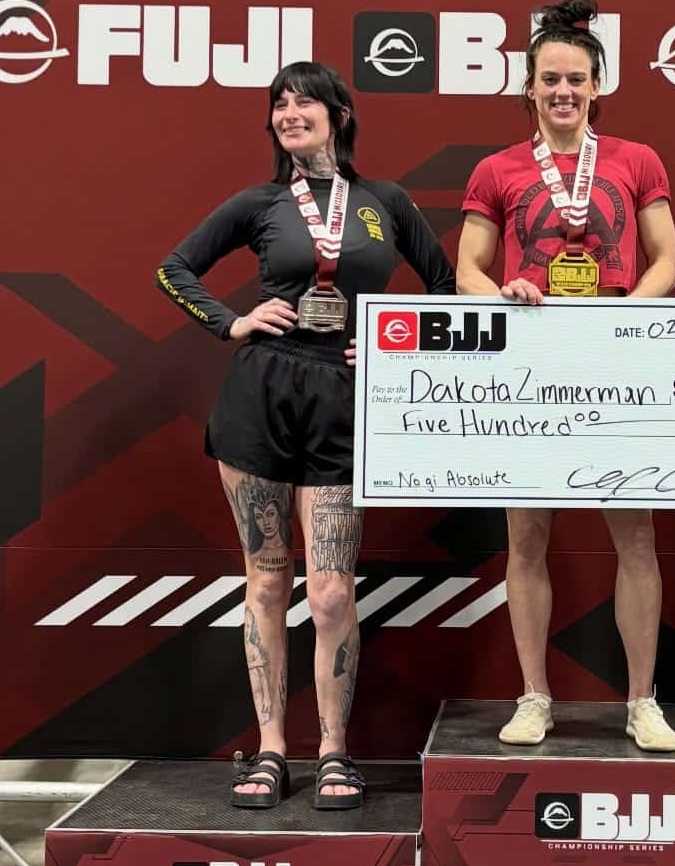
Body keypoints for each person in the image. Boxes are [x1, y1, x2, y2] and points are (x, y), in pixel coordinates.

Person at [157, 60, 455, 808]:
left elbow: (445, 288)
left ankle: (333, 752)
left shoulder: (385, 202)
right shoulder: (260, 202)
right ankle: (269, 750)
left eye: (304, 102)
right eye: (279, 104)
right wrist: (232, 322)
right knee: (265, 580)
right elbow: (173, 271)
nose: (289, 113)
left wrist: (394, 344)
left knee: (329, 592)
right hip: (260, 396)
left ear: (339, 115)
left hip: (345, 403)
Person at [456, 0, 675, 752]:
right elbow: (468, 270)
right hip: (531, 365)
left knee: (637, 538)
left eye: (576, 79)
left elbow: (666, 261)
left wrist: (623, 318)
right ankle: (533, 697)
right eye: (549, 79)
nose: (563, 91)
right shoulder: (496, 169)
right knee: (526, 537)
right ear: (529, 87)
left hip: (614, 361)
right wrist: (504, 294)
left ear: (596, 86)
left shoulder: (637, 160)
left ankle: (642, 701)